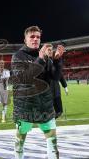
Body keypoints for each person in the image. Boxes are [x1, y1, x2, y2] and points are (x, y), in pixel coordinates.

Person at [11, 26, 65, 159]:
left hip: (45, 105)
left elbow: (55, 77)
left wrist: (57, 61)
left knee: (53, 144)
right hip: (25, 107)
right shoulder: (18, 56)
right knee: (19, 142)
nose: (36, 39)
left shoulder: (46, 55)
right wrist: (40, 59)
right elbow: (25, 78)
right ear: (25, 40)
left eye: (38, 37)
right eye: (32, 37)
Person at [46, 46, 68, 118]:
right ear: (45, 51)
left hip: (56, 87)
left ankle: (56, 114)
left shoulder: (53, 60)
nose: (50, 51)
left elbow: (60, 74)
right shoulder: (43, 61)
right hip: (47, 88)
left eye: (51, 50)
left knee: (59, 108)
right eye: (48, 50)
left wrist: (65, 86)